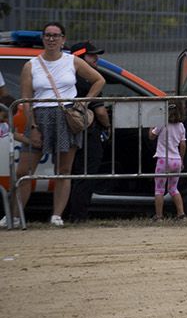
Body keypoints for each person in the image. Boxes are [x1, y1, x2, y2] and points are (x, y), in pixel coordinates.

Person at [8, 23, 105, 227]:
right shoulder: (31, 65)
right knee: (24, 171)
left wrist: (84, 102)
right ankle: (15, 216)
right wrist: (33, 127)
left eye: (56, 35)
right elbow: (26, 100)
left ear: (63, 39)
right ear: (43, 38)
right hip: (39, 117)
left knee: (63, 170)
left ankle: (56, 216)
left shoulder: (72, 61)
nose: (51, 39)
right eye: (48, 35)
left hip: (65, 117)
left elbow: (99, 80)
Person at [63, 39, 112, 223]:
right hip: (88, 134)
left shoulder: (67, 79)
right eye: (92, 56)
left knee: (70, 174)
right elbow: (100, 112)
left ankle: (66, 213)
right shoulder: (89, 82)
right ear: (79, 58)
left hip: (69, 132)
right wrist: (107, 126)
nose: (96, 59)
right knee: (85, 174)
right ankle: (79, 215)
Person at [150, 112, 186, 220]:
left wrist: (151, 124)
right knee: (173, 189)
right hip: (176, 160)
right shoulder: (181, 126)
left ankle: (159, 216)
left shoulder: (161, 123)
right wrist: (181, 159)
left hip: (163, 160)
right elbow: (183, 144)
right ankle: (181, 214)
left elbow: (151, 136)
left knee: (159, 189)